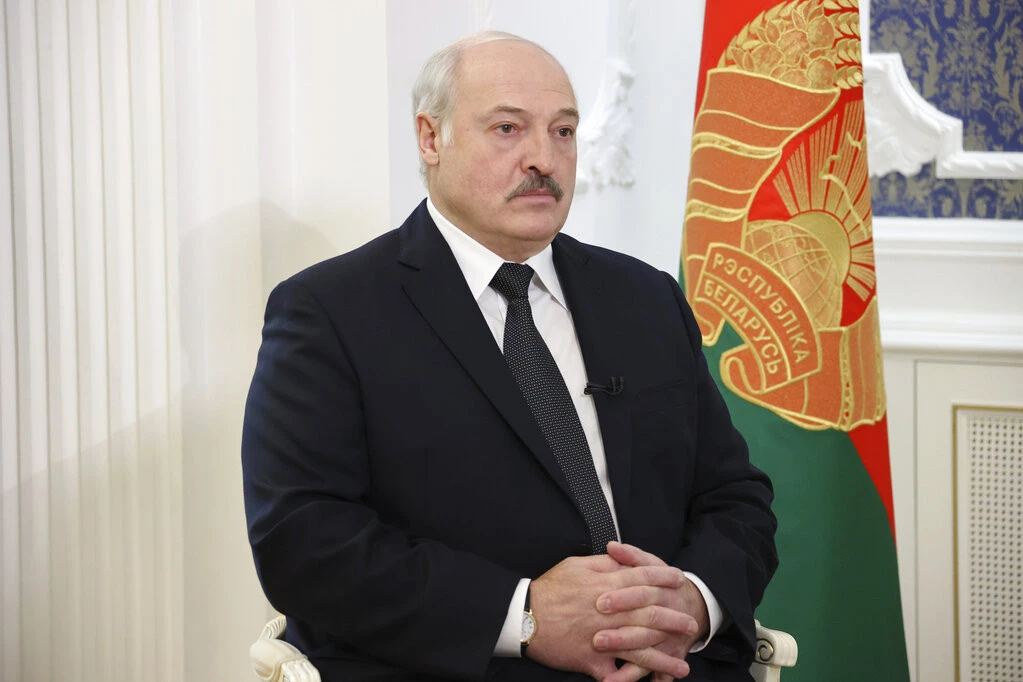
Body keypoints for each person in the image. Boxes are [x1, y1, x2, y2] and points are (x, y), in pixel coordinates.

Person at [242, 31, 777, 682]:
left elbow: (733, 497)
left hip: (671, 666)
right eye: (507, 128)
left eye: (562, 131)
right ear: (430, 138)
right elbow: (303, 542)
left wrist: (691, 600)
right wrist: (522, 616)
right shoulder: (329, 312)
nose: (543, 159)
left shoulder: (646, 297)